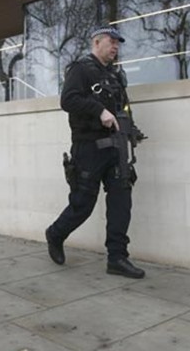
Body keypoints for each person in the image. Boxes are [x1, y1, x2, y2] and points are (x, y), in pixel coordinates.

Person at [45, 26, 146, 279]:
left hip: (117, 148)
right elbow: (68, 100)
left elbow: (123, 108)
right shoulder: (81, 69)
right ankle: (55, 234)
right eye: (111, 42)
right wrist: (98, 111)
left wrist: (131, 130)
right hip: (89, 148)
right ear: (97, 42)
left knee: (121, 202)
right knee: (82, 205)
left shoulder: (115, 76)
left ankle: (117, 257)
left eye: (117, 44)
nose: (115, 47)